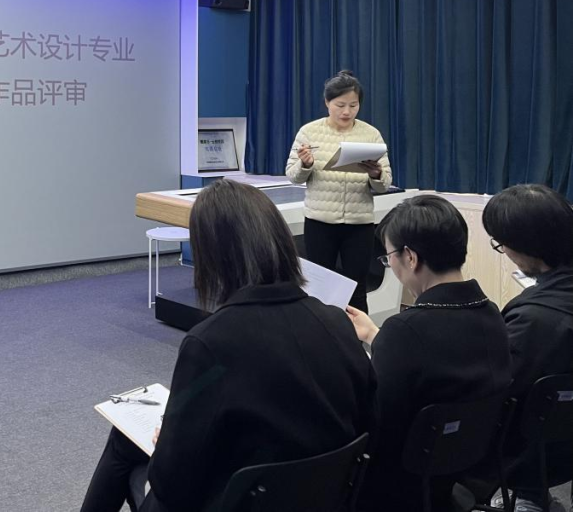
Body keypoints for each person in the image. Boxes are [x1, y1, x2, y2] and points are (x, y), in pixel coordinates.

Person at [80, 179, 376, 512]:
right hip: (325, 496)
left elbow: (170, 483)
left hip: (241, 499)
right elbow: (368, 427)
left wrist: (166, 446)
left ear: (211, 257)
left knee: (128, 445)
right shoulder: (337, 323)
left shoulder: (210, 344)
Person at [347, 195, 512, 512]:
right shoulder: (491, 314)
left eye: (389, 257)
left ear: (410, 257)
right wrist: (373, 335)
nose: (391, 265)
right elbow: (438, 363)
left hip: (395, 488)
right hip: (454, 475)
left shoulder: (406, 331)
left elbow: (374, 422)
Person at [482, 184, 573, 512]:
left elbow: (500, 390)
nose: (504, 251)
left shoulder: (535, 318)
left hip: (533, 453)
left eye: (502, 244)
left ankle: (526, 497)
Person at [286, 70, 392, 311]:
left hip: (359, 224)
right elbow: (293, 175)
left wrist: (375, 174)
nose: (347, 112)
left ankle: (357, 334)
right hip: (320, 222)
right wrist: (306, 164)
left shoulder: (371, 134)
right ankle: (321, 332)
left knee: (357, 289)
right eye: (340, 105)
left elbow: (385, 183)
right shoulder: (309, 132)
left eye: (353, 105)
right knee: (319, 288)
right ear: (327, 102)